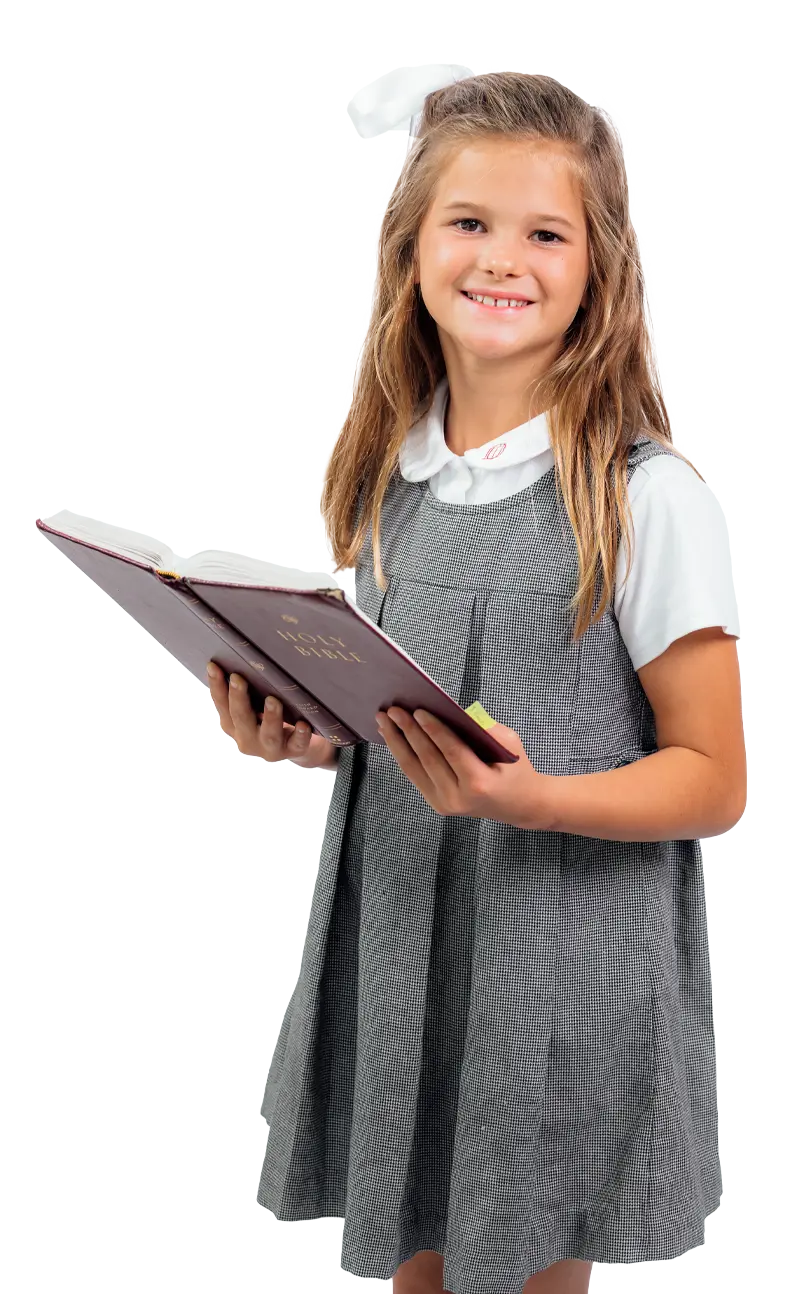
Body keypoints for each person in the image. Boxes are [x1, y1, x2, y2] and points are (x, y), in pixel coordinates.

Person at [206, 71, 745, 1294]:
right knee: (425, 1270)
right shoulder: (384, 471)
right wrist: (306, 732)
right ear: (409, 246)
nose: (504, 258)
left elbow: (714, 780)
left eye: (546, 232)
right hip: (404, 936)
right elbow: (399, 704)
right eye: (470, 223)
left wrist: (535, 799)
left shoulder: (641, 494)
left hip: (555, 954)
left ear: (600, 267)